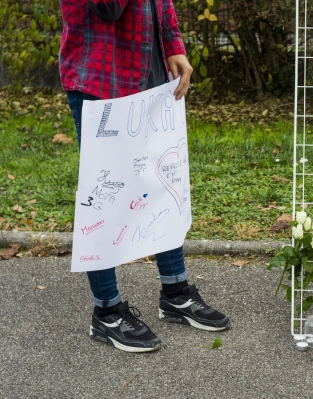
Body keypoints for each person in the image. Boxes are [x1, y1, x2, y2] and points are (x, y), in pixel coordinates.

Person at [59, 0, 230, 353]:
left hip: (148, 76)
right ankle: (107, 313)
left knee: (162, 185)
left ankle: (176, 293)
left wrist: (174, 45)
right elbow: (107, 9)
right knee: (104, 197)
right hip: (101, 79)